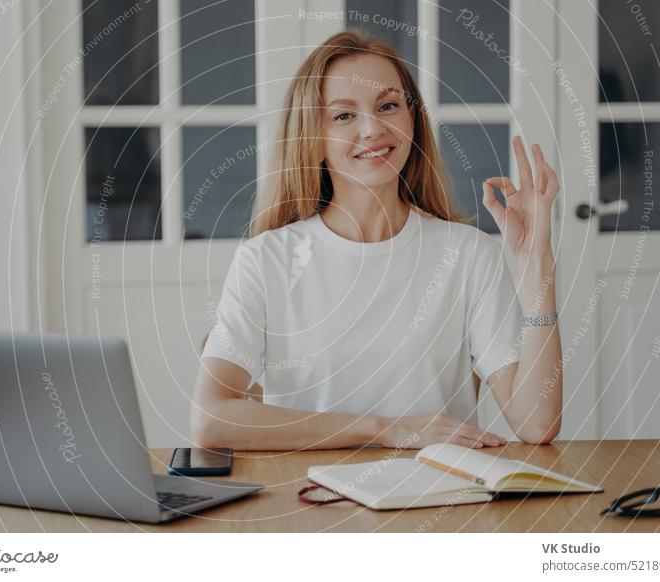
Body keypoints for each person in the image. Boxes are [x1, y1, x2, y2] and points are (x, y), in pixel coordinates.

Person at [190, 31, 562, 451]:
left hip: (438, 496)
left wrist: (537, 266)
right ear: (313, 140)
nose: (373, 128)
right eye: (344, 116)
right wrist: (385, 429)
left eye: (388, 106)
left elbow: (537, 424)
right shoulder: (265, 260)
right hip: (304, 499)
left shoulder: (469, 253)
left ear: (412, 122)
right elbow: (210, 418)